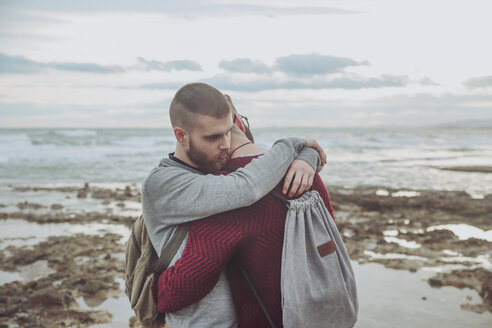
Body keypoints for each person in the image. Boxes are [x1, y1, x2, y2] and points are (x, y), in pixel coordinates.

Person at [141, 82, 326, 327]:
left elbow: (265, 173)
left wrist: (307, 158)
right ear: (181, 135)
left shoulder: (215, 170)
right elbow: (247, 187)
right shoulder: (163, 183)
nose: (226, 144)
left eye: (228, 131)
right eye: (213, 137)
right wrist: (295, 145)